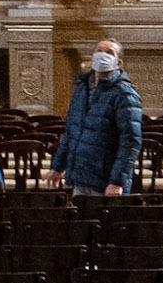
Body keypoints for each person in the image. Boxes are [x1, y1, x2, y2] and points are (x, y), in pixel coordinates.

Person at [47, 38, 143, 195]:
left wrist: (117, 181)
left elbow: (130, 141)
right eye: (99, 51)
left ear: (118, 62)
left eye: (109, 53)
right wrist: (58, 166)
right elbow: (71, 132)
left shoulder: (124, 93)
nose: (102, 55)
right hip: (80, 178)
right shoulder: (81, 89)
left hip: (106, 182)